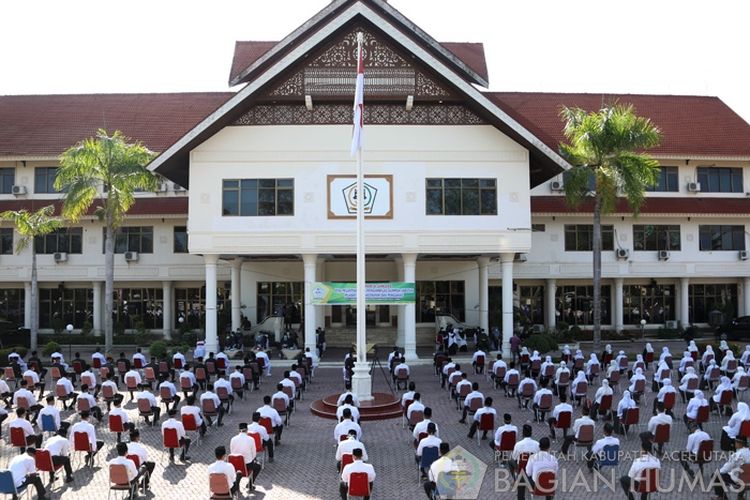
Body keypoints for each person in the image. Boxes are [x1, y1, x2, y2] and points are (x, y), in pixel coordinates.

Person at [713, 435, 750, 500]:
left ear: (738, 443)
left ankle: (721, 497)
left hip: (739, 482)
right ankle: (740, 496)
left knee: (716, 475)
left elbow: (724, 470)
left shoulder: (736, 455)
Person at [230, 423, 261, 491]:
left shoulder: (233, 439)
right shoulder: (251, 439)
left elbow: (232, 452)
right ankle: (250, 484)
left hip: (235, 464)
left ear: (239, 430)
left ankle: (237, 485)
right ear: (247, 430)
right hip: (247, 464)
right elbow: (254, 454)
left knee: (239, 468)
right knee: (258, 466)